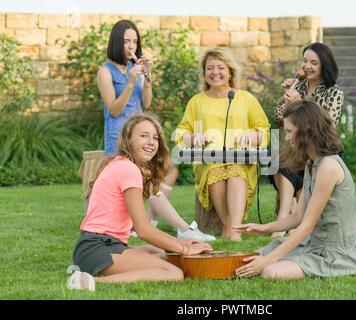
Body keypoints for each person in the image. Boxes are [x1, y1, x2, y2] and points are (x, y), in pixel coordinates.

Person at [68, 113, 213, 291]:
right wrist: (185, 250)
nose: (151, 142)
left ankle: (90, 273)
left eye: (155, 137)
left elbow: (142, 227)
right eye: (143, 136)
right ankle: (89, 282)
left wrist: (181, 243)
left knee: (160, 252)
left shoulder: (122, 164)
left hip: (100, 246)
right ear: (128, 140)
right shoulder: (128, 169)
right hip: (97, 249)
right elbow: (143, 230)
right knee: (173, 273)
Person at [96, 20, 208, 240]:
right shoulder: (105, 72)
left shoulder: (133, 68)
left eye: (135, 41)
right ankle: (182, 229)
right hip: (121, 139)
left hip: (142, 135)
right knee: (147, 180)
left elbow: (146, 104)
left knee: (169, 170)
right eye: (126, 41)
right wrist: (130, 83)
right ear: (116, 42)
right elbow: (115, 110)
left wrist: (147, 78)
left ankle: (148, 221)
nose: (131, 46)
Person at [234, 100, 356, 279]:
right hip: (314, 244)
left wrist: (268, 260)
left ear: (306, 132)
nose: (287, 138)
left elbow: (307, 225)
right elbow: (297, 217)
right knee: (253, 256)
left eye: (289, 131)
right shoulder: (312, 163)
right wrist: (263, 228)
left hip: (336, 254)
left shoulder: (329, 166)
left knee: (270, 271)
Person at [175, 48, 270, 241]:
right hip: (208, 162)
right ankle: (231, 229)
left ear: (230, 72)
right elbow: (181, 133)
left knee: (235, 169)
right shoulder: (197, 102)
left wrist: (253, 135)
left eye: (220, 67)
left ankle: (233, 230)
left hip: (242, 161)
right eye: (210, 68)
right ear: (204, 73)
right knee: (216, 169)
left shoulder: (245, 98)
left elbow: (264, 129)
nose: (215, 72)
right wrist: (193, 138)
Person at [269, 42, 344, 237]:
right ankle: (284, 217)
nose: (308, 66)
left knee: (296, 160)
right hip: (297, 148)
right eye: (305, 61)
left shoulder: (334, 91)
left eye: (314, 63)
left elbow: (328, 124)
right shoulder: (298, 85)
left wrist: (300, 104)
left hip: (320, 149)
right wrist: (285, 97)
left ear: (323, 65)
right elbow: (277, 116)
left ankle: (293, 217)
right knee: (278, 157)